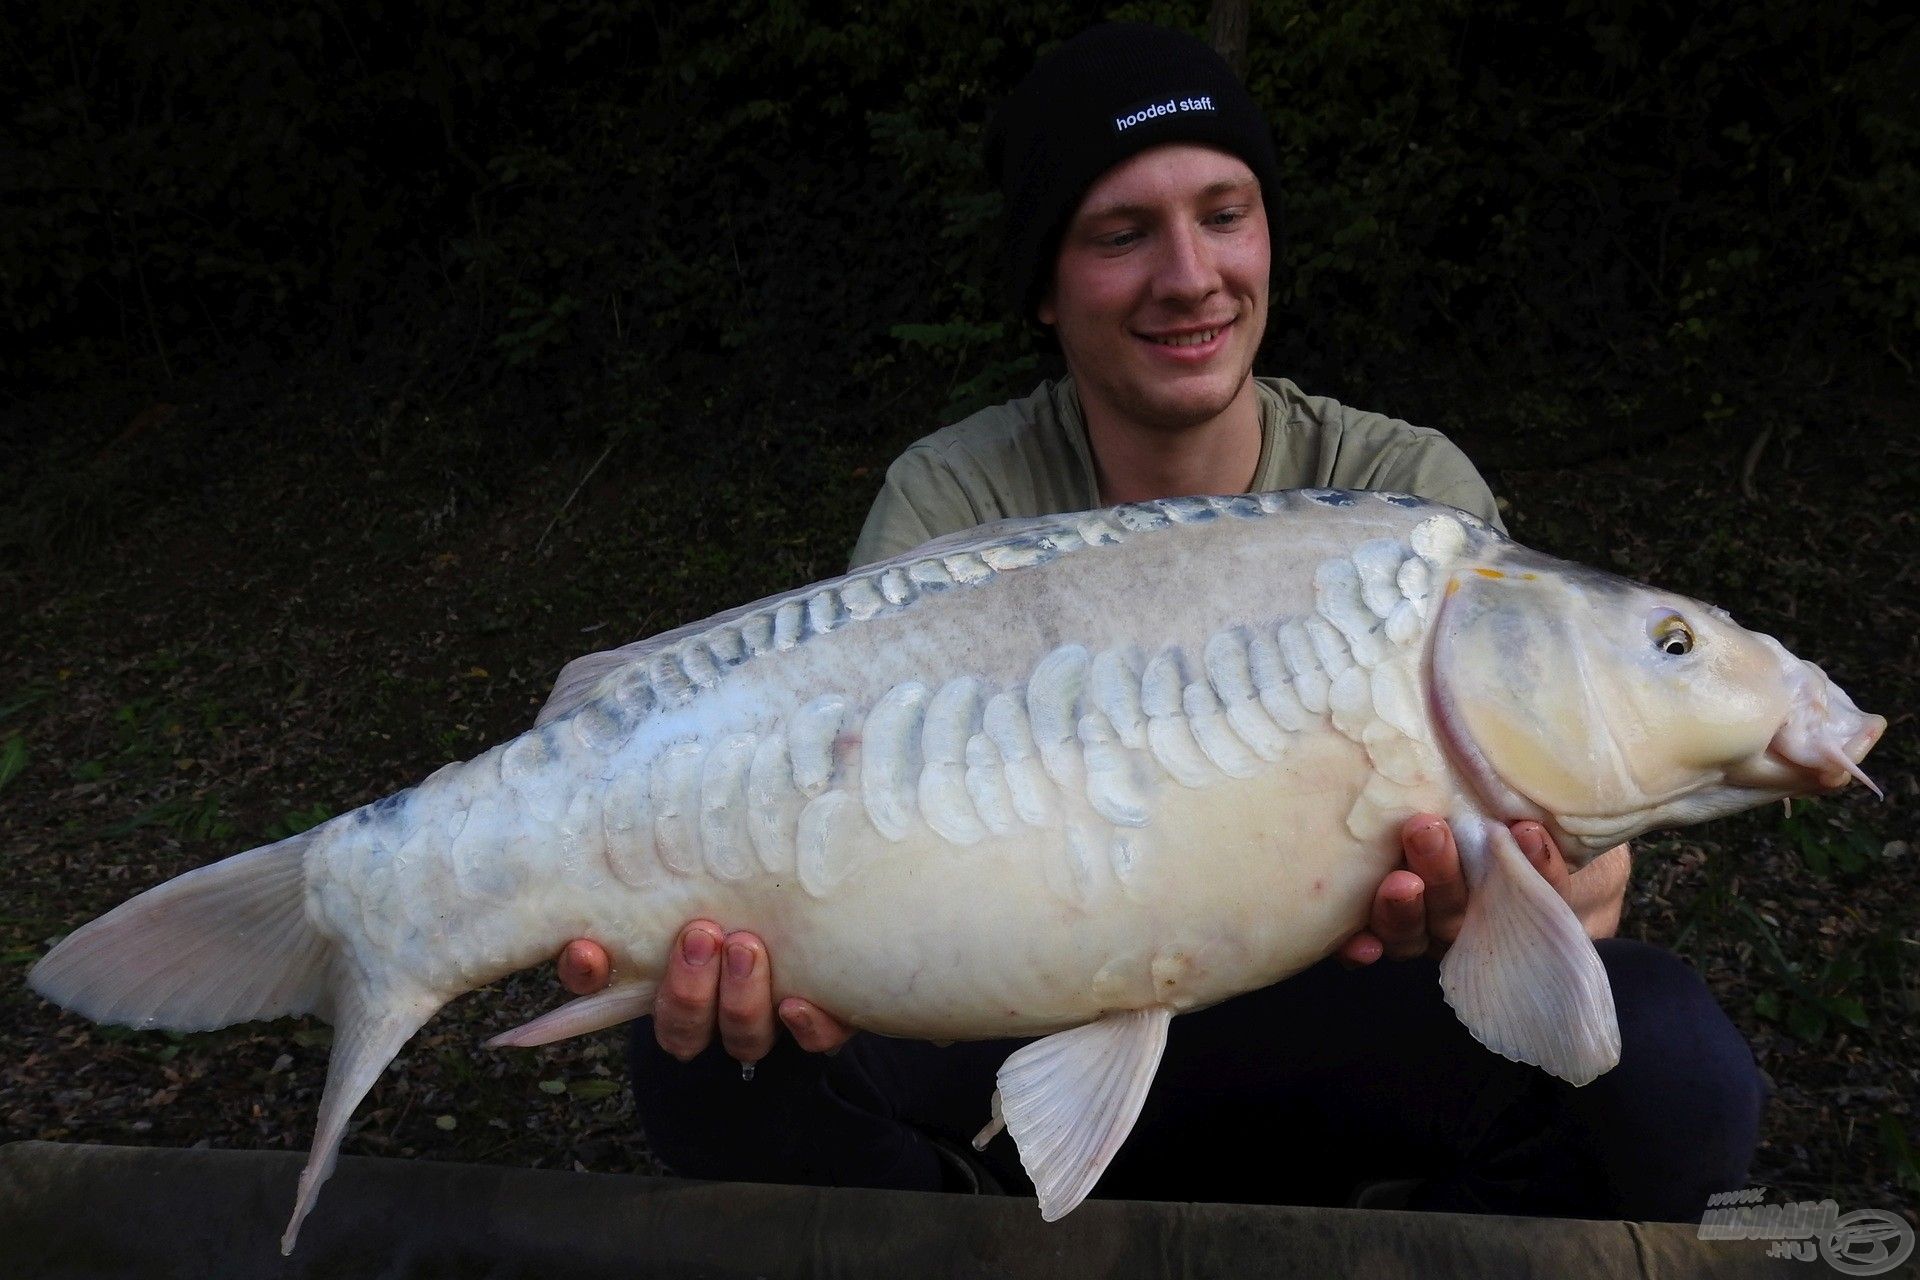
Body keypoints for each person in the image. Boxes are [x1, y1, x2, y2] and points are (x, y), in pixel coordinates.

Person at [549, 23, 1762, 1218]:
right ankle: (958, 1213)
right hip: (1015, 998)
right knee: (702, 1057)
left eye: (1224, 214)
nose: (1190, 276)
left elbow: (1589, 889)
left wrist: (1546, 883)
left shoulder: (1403, 492)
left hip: (1330, 1003)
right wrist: (787, 960)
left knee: (1670, 1068)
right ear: (1043, 285)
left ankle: (1397, 1236)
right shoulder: (954, 497)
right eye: (1123, 234)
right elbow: (854, 842)